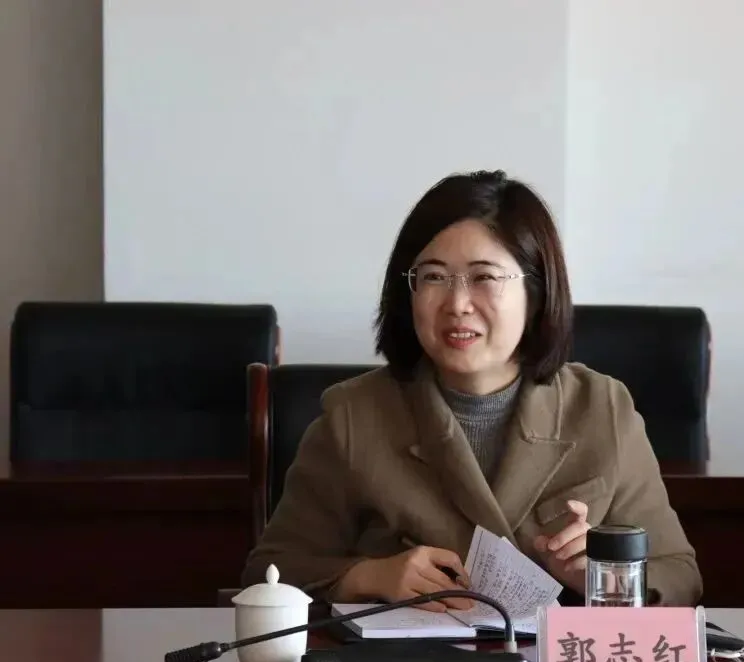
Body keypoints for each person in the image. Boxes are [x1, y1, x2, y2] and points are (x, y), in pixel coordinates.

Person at [241, 170, 702, 609]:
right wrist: (370, 576)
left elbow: (680, 575)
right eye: (433, 277)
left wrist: (604, 577)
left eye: (484, 277)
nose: (457, 304)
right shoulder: (354, 415)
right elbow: (269, 571)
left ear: (536, 293)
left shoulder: (601, 407)